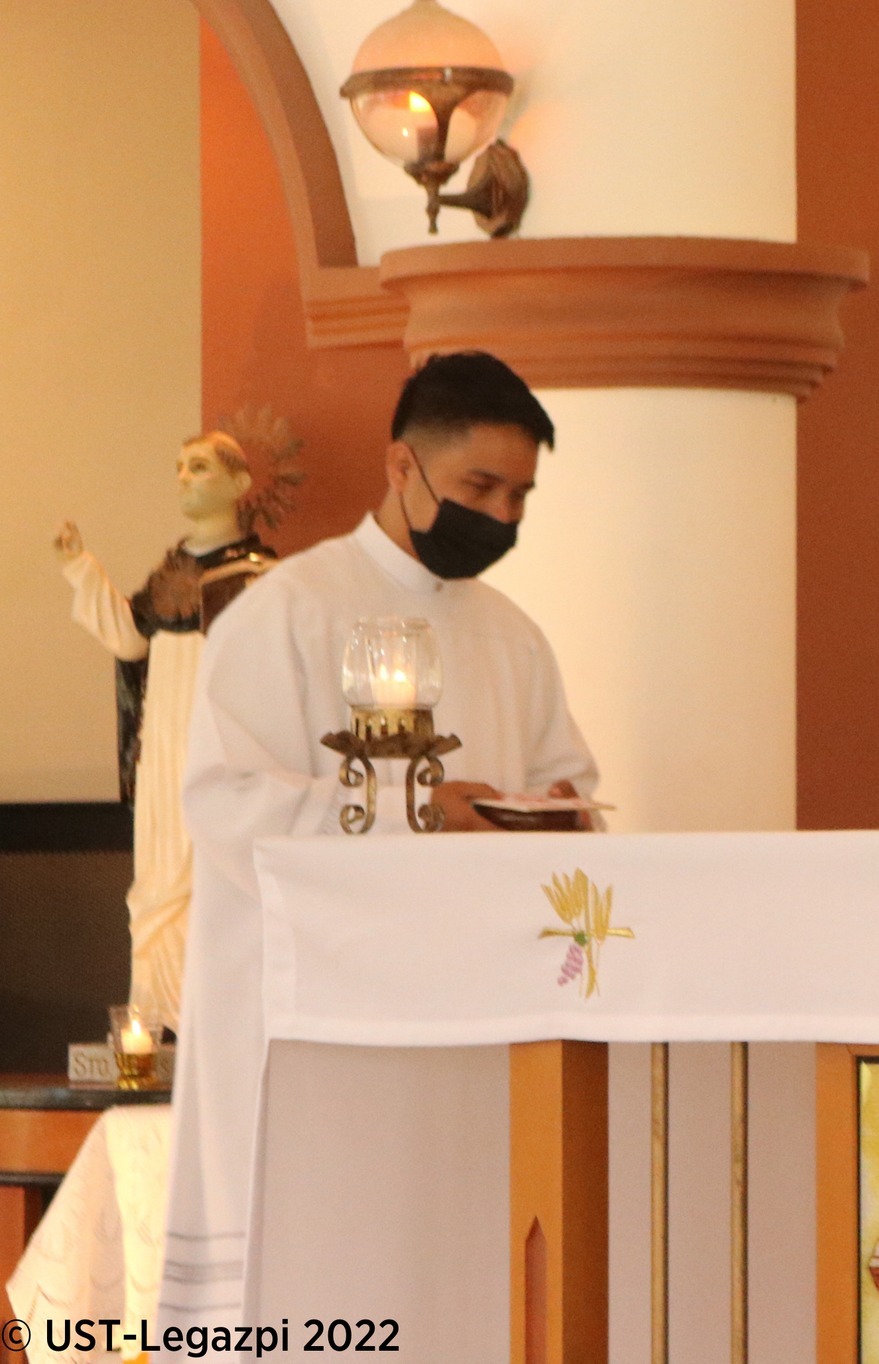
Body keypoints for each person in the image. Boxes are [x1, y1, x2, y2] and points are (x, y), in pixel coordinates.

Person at [160, 353, 599, 1330]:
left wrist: (559, 814)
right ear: (403, 466)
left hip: (467, 1026)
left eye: (520, 495)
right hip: (313, 1037)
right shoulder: (288, 611)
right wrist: (420, 809)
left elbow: (572, 793)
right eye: (480, 487)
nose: (503, 516)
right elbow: (226, 804)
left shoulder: (514, 636)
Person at [53, 430, 286, 1028]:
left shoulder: (261, 575)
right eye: (180, 466)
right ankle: (155, 1017)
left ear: (238, 483)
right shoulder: (171, 571)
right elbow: (132, 639)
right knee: (160, 874)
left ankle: (209, 1018)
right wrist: (81, 568)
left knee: (209, 873)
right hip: (162, 746)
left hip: (224, 750)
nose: (183, 477)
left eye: (200, 467)